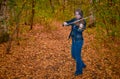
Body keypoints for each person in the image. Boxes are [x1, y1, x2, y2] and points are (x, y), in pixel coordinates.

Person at [63, 9, 86, 76]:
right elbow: (69, 22)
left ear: (81, 15)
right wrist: (65, 23)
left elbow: (80, 31)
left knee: (77, 56)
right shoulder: (74, 19)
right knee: (73, 55)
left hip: (79, 41)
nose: (77, 15)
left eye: (78, 14)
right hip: (73, 40)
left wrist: (80, 28)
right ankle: (82, 64)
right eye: (76, 14)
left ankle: (79, 71)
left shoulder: (83, 22)